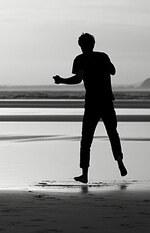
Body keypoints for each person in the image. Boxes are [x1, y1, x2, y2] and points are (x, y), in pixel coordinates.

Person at [53, 33, 127, 183]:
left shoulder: (80, 59)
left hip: (92, 102)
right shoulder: (103, 56)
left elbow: (77, 79)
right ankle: (119, 160)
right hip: (107, 100)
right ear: (93, 43)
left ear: (80, 45)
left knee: (86, 139)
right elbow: (113, 71)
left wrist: (61, 80)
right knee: (112, 133)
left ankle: (85, 174)